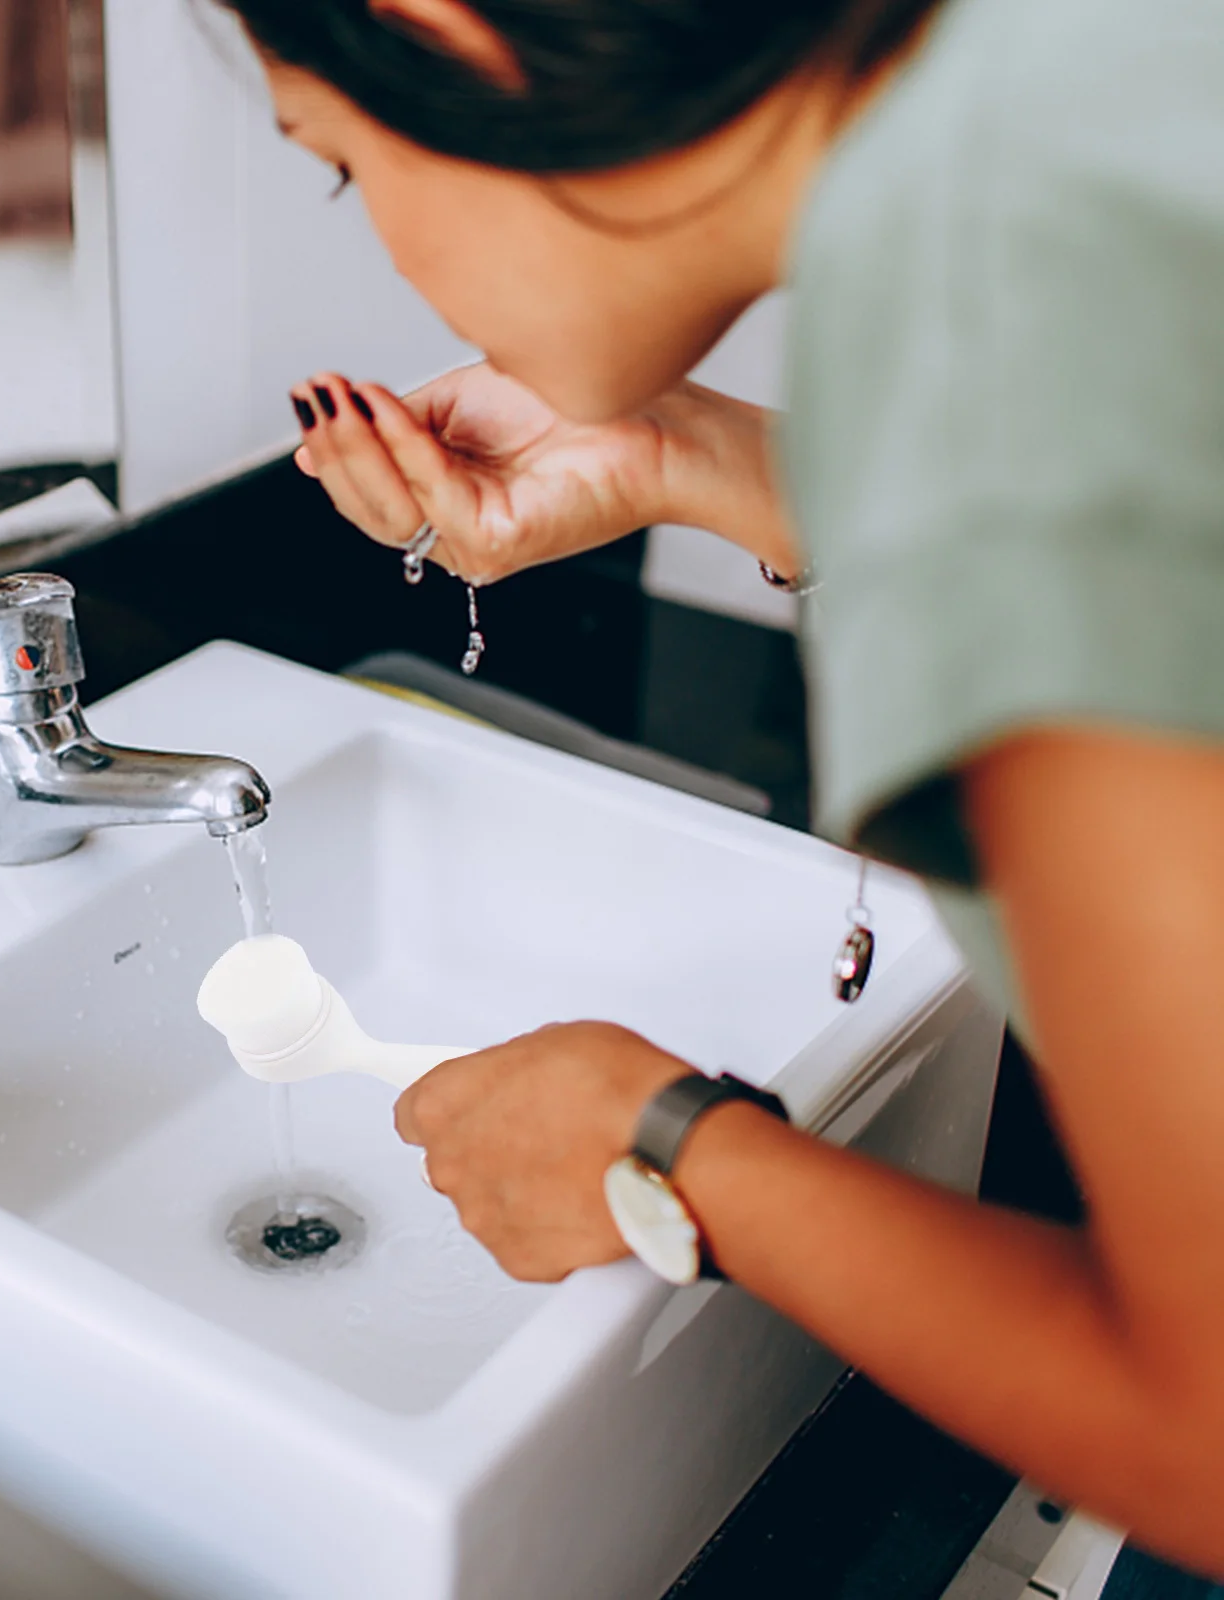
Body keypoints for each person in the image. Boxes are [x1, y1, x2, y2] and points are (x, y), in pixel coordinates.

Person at [217, 0, 1224, 1584]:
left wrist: (674, 1148)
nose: (385, 243)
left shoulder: (1014, 370)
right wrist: (674, 452)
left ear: (447, 28)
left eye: (338, 163)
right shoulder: (1086, 123)